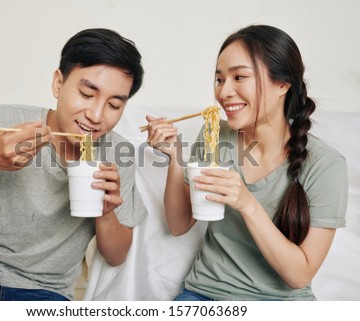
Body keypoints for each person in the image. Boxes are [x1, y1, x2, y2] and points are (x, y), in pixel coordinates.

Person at [0, 28, 147, 301]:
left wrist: (105, 212)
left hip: (43, 294)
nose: (96, 115)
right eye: (86, 94)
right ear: (58, 83)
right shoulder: (5, 123)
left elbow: (117, 256)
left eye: (114, 105)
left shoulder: (118, 153)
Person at [145, 24, 348, 300]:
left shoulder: (326, 165)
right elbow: (179, 224)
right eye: (219, 80)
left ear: (283, 84)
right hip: (204, 294)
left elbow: (299, 275)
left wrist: (245, 203)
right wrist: (175, 158)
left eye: (239, 77)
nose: (224, 92)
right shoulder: (215, 135)